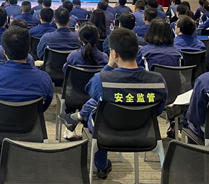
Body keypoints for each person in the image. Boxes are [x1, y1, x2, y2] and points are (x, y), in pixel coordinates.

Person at [60, 28, 167, 179]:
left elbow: (89, 89)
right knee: (101, 101)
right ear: (137, 50)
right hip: (143, 132)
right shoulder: (158, 80)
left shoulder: (102, 79)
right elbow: (158, 110)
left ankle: (101, 164)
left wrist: (109, 66)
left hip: (107, 132)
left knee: (99, 105)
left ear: (114, 53)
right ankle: (76, 118)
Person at [0, 26, 54, 174]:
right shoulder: (44, 79)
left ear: (4, 52)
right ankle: (14, 161)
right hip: (30, 131)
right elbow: (44, 106)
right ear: (29, 49)